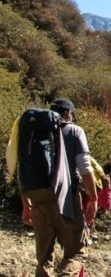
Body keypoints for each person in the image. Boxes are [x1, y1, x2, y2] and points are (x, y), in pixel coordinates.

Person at [18, 98, 98, 276]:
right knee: (76, 252)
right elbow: (85, 166)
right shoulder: (75, 131)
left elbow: (20, 168)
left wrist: (26, 204)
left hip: (38, 198)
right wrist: (93, 197)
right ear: (69, 113)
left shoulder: (32, 132)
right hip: (66, 199)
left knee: (44, 257)